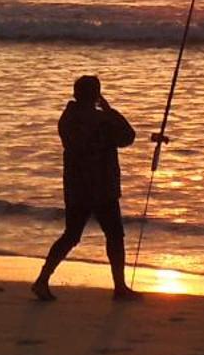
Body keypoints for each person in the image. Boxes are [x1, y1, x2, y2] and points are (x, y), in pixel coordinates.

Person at [32, 75, 141, 302]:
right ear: (96, 95)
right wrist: (110, 110)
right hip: (101, 187)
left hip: (76, 186)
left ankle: (43, 279)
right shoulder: (101, 121)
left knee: (71, 235)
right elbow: (128, 137)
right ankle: (119, 287)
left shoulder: (67, 118)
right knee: (114, 235)